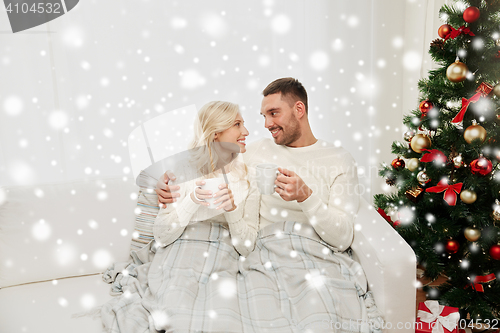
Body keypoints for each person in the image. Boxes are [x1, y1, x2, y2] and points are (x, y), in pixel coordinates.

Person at [155, 78, 384, 332]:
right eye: (263, 116)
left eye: (273, 113)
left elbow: (342, 238)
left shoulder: (339, 160)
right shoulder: (254, 151)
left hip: (315, 251)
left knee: (321, 316)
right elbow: (209, 155)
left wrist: (306, 196)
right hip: (265, 251)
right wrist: (166, 183)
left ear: (299, 110)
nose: (266, 125)